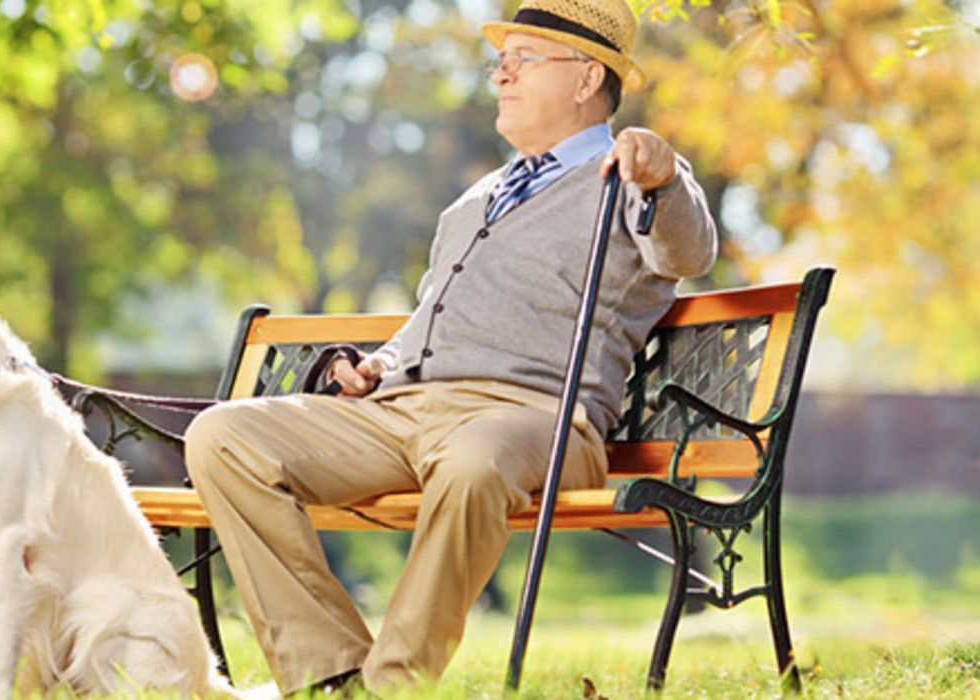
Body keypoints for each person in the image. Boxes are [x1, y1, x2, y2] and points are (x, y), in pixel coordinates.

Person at [184, 0, 718, 693]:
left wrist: (663, 176)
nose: (500, 75)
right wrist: (379, 364)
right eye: (499, 61)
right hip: (406, 410)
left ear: (587, 78)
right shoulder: (475, 199)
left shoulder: (628, 177)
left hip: (538, 422)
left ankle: (394, 683)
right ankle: (329, 674)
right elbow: (430, 313)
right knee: (223, 437)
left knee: (472, 459)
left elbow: (689, 251)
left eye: (522, 59)